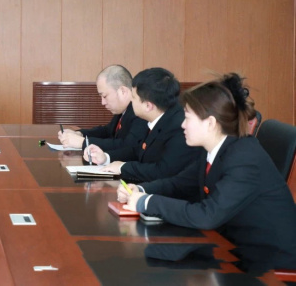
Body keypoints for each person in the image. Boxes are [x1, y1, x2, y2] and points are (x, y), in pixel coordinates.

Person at [118, 73, 296, 273]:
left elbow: (207, 215)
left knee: (154, 267)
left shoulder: (244, 159)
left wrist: (147, 202)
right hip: (234, 245)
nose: (182, 125)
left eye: (187, 117)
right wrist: (141, 190)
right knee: (149, 257)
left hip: (269, 263)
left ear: (210, 123)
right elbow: (180, 183)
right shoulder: (214, 149)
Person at [85, 67, 200, 181]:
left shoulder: (178, 127)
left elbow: (162, 171)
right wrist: (106, 158)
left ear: (148, 106)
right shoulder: (160, 117)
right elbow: (138, 150)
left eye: (133, 97)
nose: (131, 101)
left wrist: (123, 167)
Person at [58, 65, 148, 151]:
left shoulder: (139, 112)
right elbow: (107, 131)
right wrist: (80, 133)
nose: (103, 102)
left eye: (104, 96)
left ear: (123, 91)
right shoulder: (123, 109)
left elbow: (128, 146)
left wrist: (83, 143)